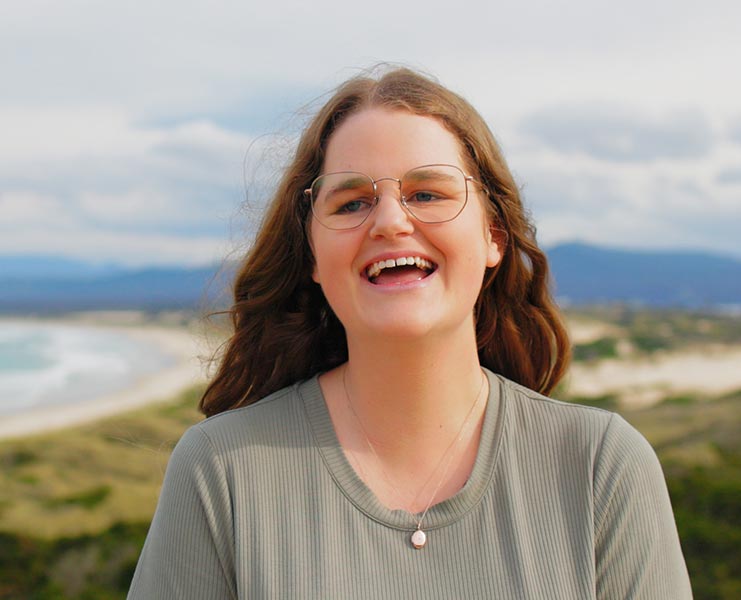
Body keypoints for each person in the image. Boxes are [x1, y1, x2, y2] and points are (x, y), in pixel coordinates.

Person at [128, 67, 692, 599]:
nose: (391, 221)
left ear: (494, 236)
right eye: (352, 202)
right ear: (314, 258)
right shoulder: (220, 471)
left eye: (427, 193)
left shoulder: (600, 467)